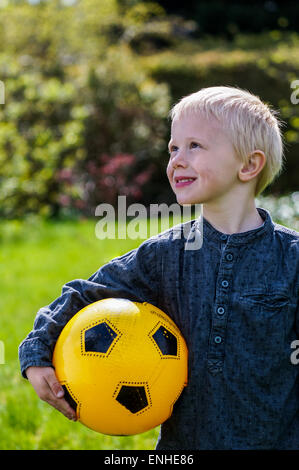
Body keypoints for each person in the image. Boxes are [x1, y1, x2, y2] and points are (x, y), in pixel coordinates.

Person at [19, 86, 299, 450]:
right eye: (173, 148)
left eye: (195, 146)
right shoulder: (165, 255)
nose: (177, 159)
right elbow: (85, 294)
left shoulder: (291, 258)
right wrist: (36, 354)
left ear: (248, 165)